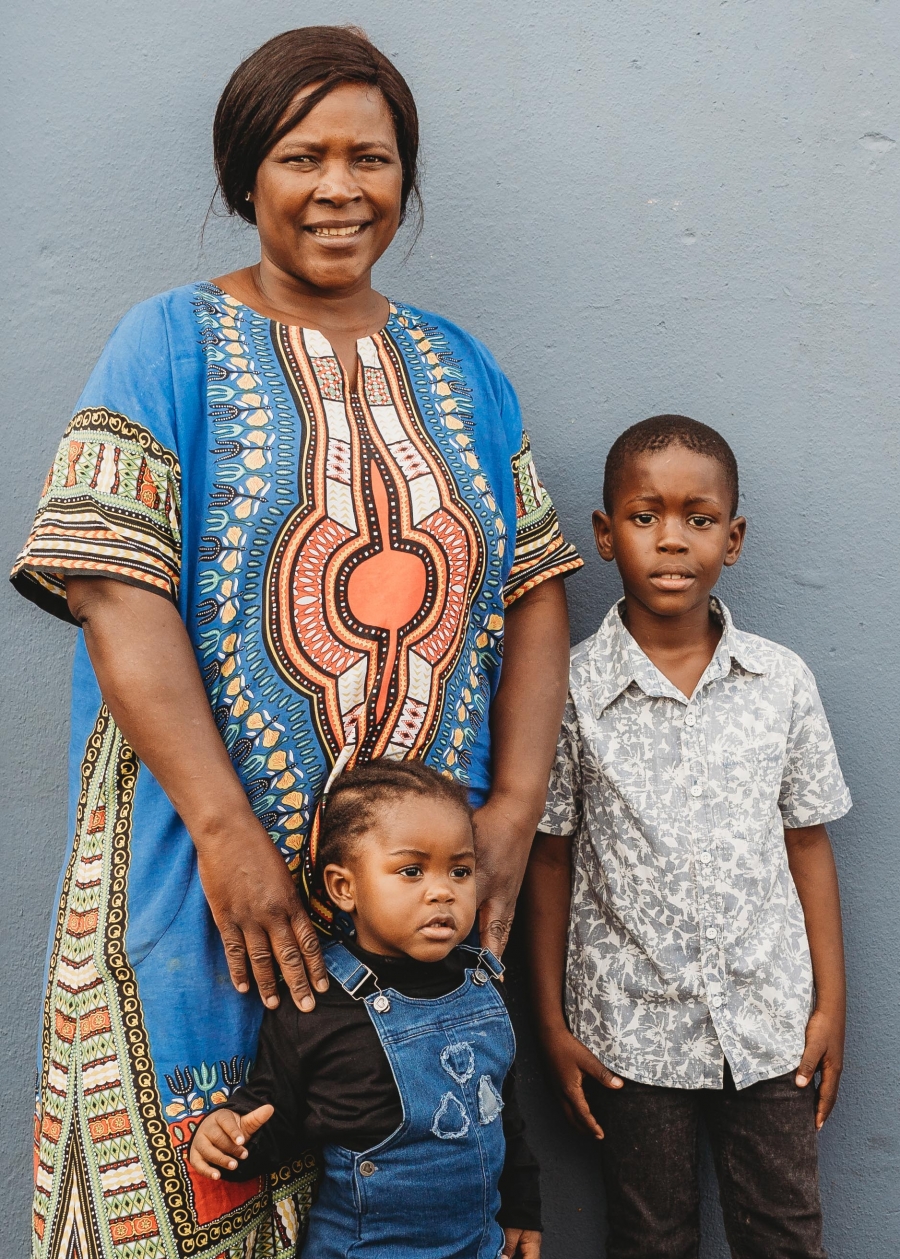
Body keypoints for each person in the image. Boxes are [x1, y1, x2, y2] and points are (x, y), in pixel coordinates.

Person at [11, 27, 581, 1259]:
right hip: (200, 874)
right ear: (245, 178)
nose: (340, 188)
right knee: (196, 1181)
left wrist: (512, 811)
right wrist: (228, 832)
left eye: (370, 157)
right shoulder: (164, 340)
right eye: (300, 155)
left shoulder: (462, 367)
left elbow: (535, 591)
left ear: (405, 175)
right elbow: (117, 588)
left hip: (418, 899)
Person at [525, 415, 851, 1259]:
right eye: (644, 516)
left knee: (785, 1235)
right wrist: (554, 1025)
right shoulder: (570, 689)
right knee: (649, 1239)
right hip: (628, 1032)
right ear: (605, 534)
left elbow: (808, 844)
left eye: (699, 519)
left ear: (732, 538)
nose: (672, 540)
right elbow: (549, 854)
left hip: (770, 1024)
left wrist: (830, 1006)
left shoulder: (780, 681)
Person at [189, 760, 542, 1258]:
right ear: (344, 888)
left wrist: (523, 1210)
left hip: (477, 1246)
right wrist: (229, 1138)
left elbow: (504, 1115)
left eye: (460, 871)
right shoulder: (320, 1002)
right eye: (412, 871)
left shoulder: (481, 984)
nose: (443, 890)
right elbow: (277, 1107)